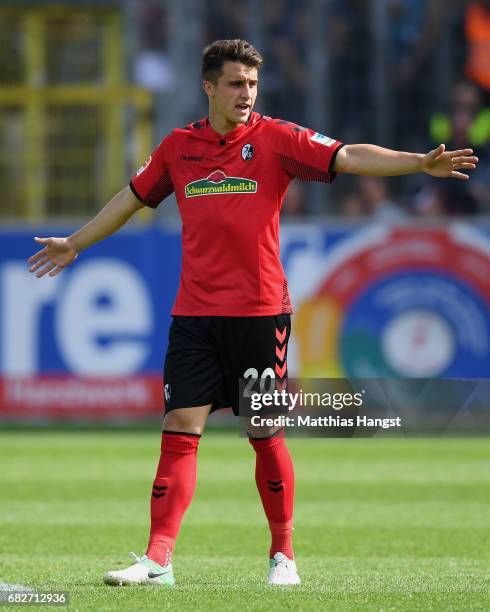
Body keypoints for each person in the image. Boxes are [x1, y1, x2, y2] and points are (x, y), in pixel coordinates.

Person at [28, 39, 478, 588]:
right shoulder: (178, 147)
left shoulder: (276, 139)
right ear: (209, 87)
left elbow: (347, 155)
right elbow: (131, 197)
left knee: (264, 432)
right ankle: (157, 560)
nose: (247, 94)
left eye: (253, 85)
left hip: (261, 314)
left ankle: (283, 556)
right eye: (237, 84)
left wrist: (417, 164)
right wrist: (76, 243)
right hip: (194, 315)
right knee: (179, 428)